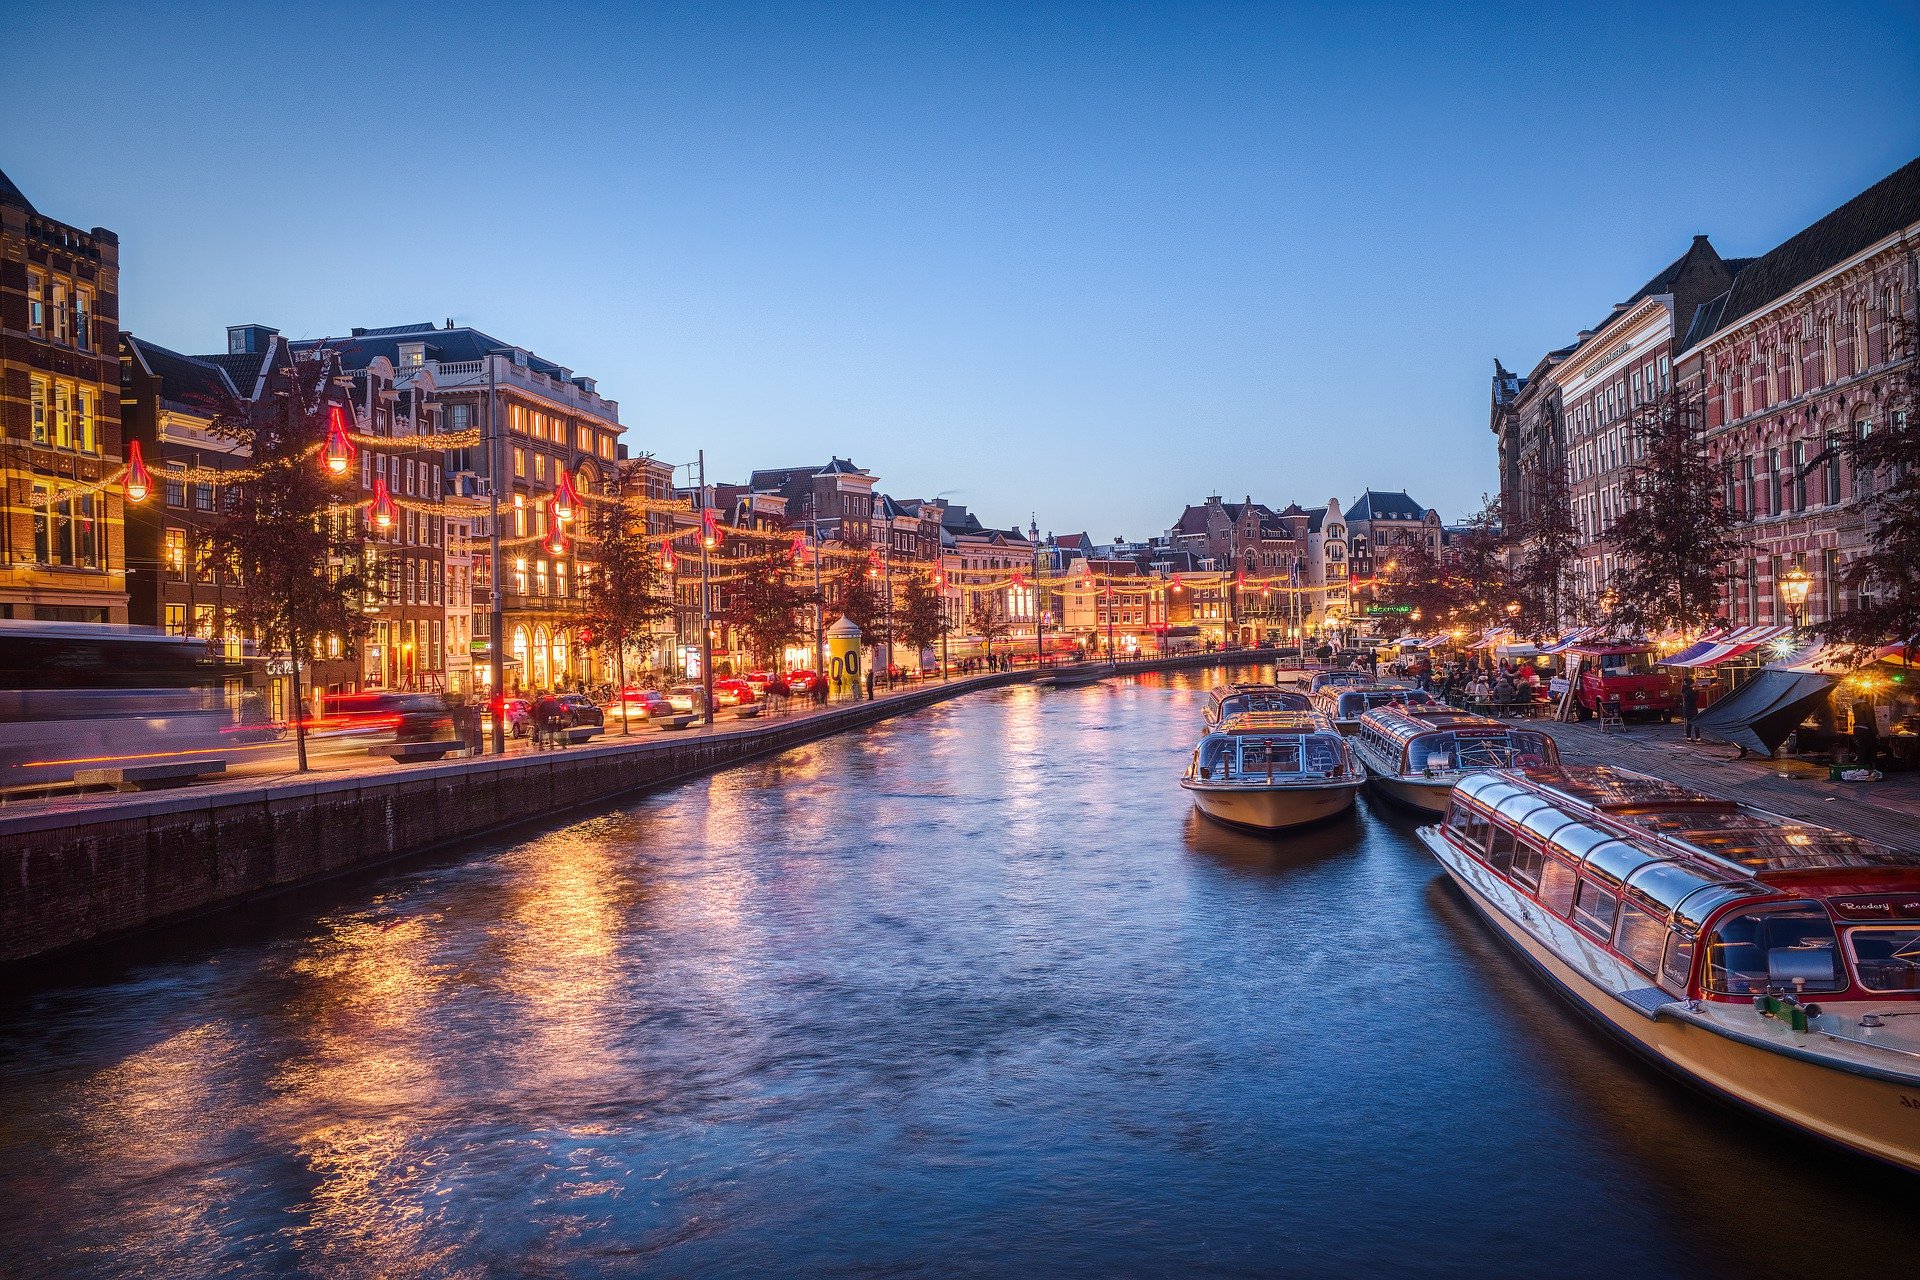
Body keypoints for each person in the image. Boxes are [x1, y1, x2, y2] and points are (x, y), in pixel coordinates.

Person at [1852, 700, 1881, 772]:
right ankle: (1867, 769)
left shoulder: (1855, 705)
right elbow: (1870, 720)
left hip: (1857, 729)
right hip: (1865, 730)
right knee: (1868, 749)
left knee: (1861, 749)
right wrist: (1876, 732)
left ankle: (1861, 768)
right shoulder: (1866, 705)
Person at [1680, 672, 1701, 742]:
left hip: (1687, 709)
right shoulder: (1689, 691)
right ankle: (1698, 738)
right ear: (1691, 684)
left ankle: (1689, 738)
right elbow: (1695, 698)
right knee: (1696, 723)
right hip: (1692, 709)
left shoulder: (1685, 690)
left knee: (1689, 723)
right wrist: (1697, 691)